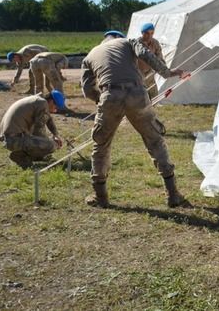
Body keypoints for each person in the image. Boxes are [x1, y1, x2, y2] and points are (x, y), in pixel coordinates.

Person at [81, 35, 190, 208]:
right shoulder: (127, 41)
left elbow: (87, 89)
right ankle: (173, 194)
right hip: (137, 93)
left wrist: (103, 101)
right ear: (117, 37)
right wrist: (167, 72)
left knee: (101, 145)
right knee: (155, 140)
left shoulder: (90, 55)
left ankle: (100, 196)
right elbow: (145, 54)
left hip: (110, 94)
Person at [0, 91, 65, 168]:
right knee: (51, 145)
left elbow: (49, 119)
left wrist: (55, 135)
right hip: (14, 140)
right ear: (51, 101)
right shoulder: (42, 104)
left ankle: (21, 155)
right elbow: (39, 130)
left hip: (9, 138)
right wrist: (48, 145)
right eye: (56, 107)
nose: (55, 111)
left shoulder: (37, 100)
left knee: (44, 143)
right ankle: (23, 157)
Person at [137, 22, 165, 99]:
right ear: (142, 33)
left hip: (149, 70)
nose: (149, 36)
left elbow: (159, 56)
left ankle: (155, 103)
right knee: (140, 90)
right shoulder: (136, 44)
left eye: (151, 33)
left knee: (152, 88)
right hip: (138, 71)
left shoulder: (155, 43)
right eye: (146, 33)